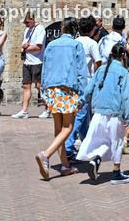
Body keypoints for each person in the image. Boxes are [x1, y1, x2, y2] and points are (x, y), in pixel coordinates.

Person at [35, 18, 88, 178]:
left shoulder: (51, 45)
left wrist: (43, 91)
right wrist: (82, 96)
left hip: (51, 88)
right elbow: (81, 73)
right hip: (68, 89)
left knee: (59, 130)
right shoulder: (77, 45)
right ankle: (46, 154)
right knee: (68, 128)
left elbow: (45, 69)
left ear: (62, 28)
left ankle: (65, 165)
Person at [73, 43, 129, 185]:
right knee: (116, 141)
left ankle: (96, 160)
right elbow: (125, 96)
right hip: (115, 111)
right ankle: (116, 173)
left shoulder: (101, 69)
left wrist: (81, 101)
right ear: (123, 56)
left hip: (98, 111)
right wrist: (127, 116)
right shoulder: (123, 72)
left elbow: (89, 88)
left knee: (104, 140)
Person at [65, 16, 100, 159]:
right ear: (92, 29)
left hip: (74, 81)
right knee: (80, 114)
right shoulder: (92, 43)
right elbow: (98, 62)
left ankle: (87, 144)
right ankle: (68, 146)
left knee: (84, 115)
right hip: (87, 81)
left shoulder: (75, 42)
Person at [13, 10, 45, 119]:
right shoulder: (27, 30)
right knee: (26, 85)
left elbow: (38, 46)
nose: (26, 25)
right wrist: (24, 48)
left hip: (37, 61)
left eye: (27, 22)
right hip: (27, 61)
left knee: (38, 86)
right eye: (25, 23)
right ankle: (24, 110)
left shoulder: (40, 29)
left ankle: (47, 108)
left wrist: (25, 49)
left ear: (33, 20)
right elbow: (24, 44)